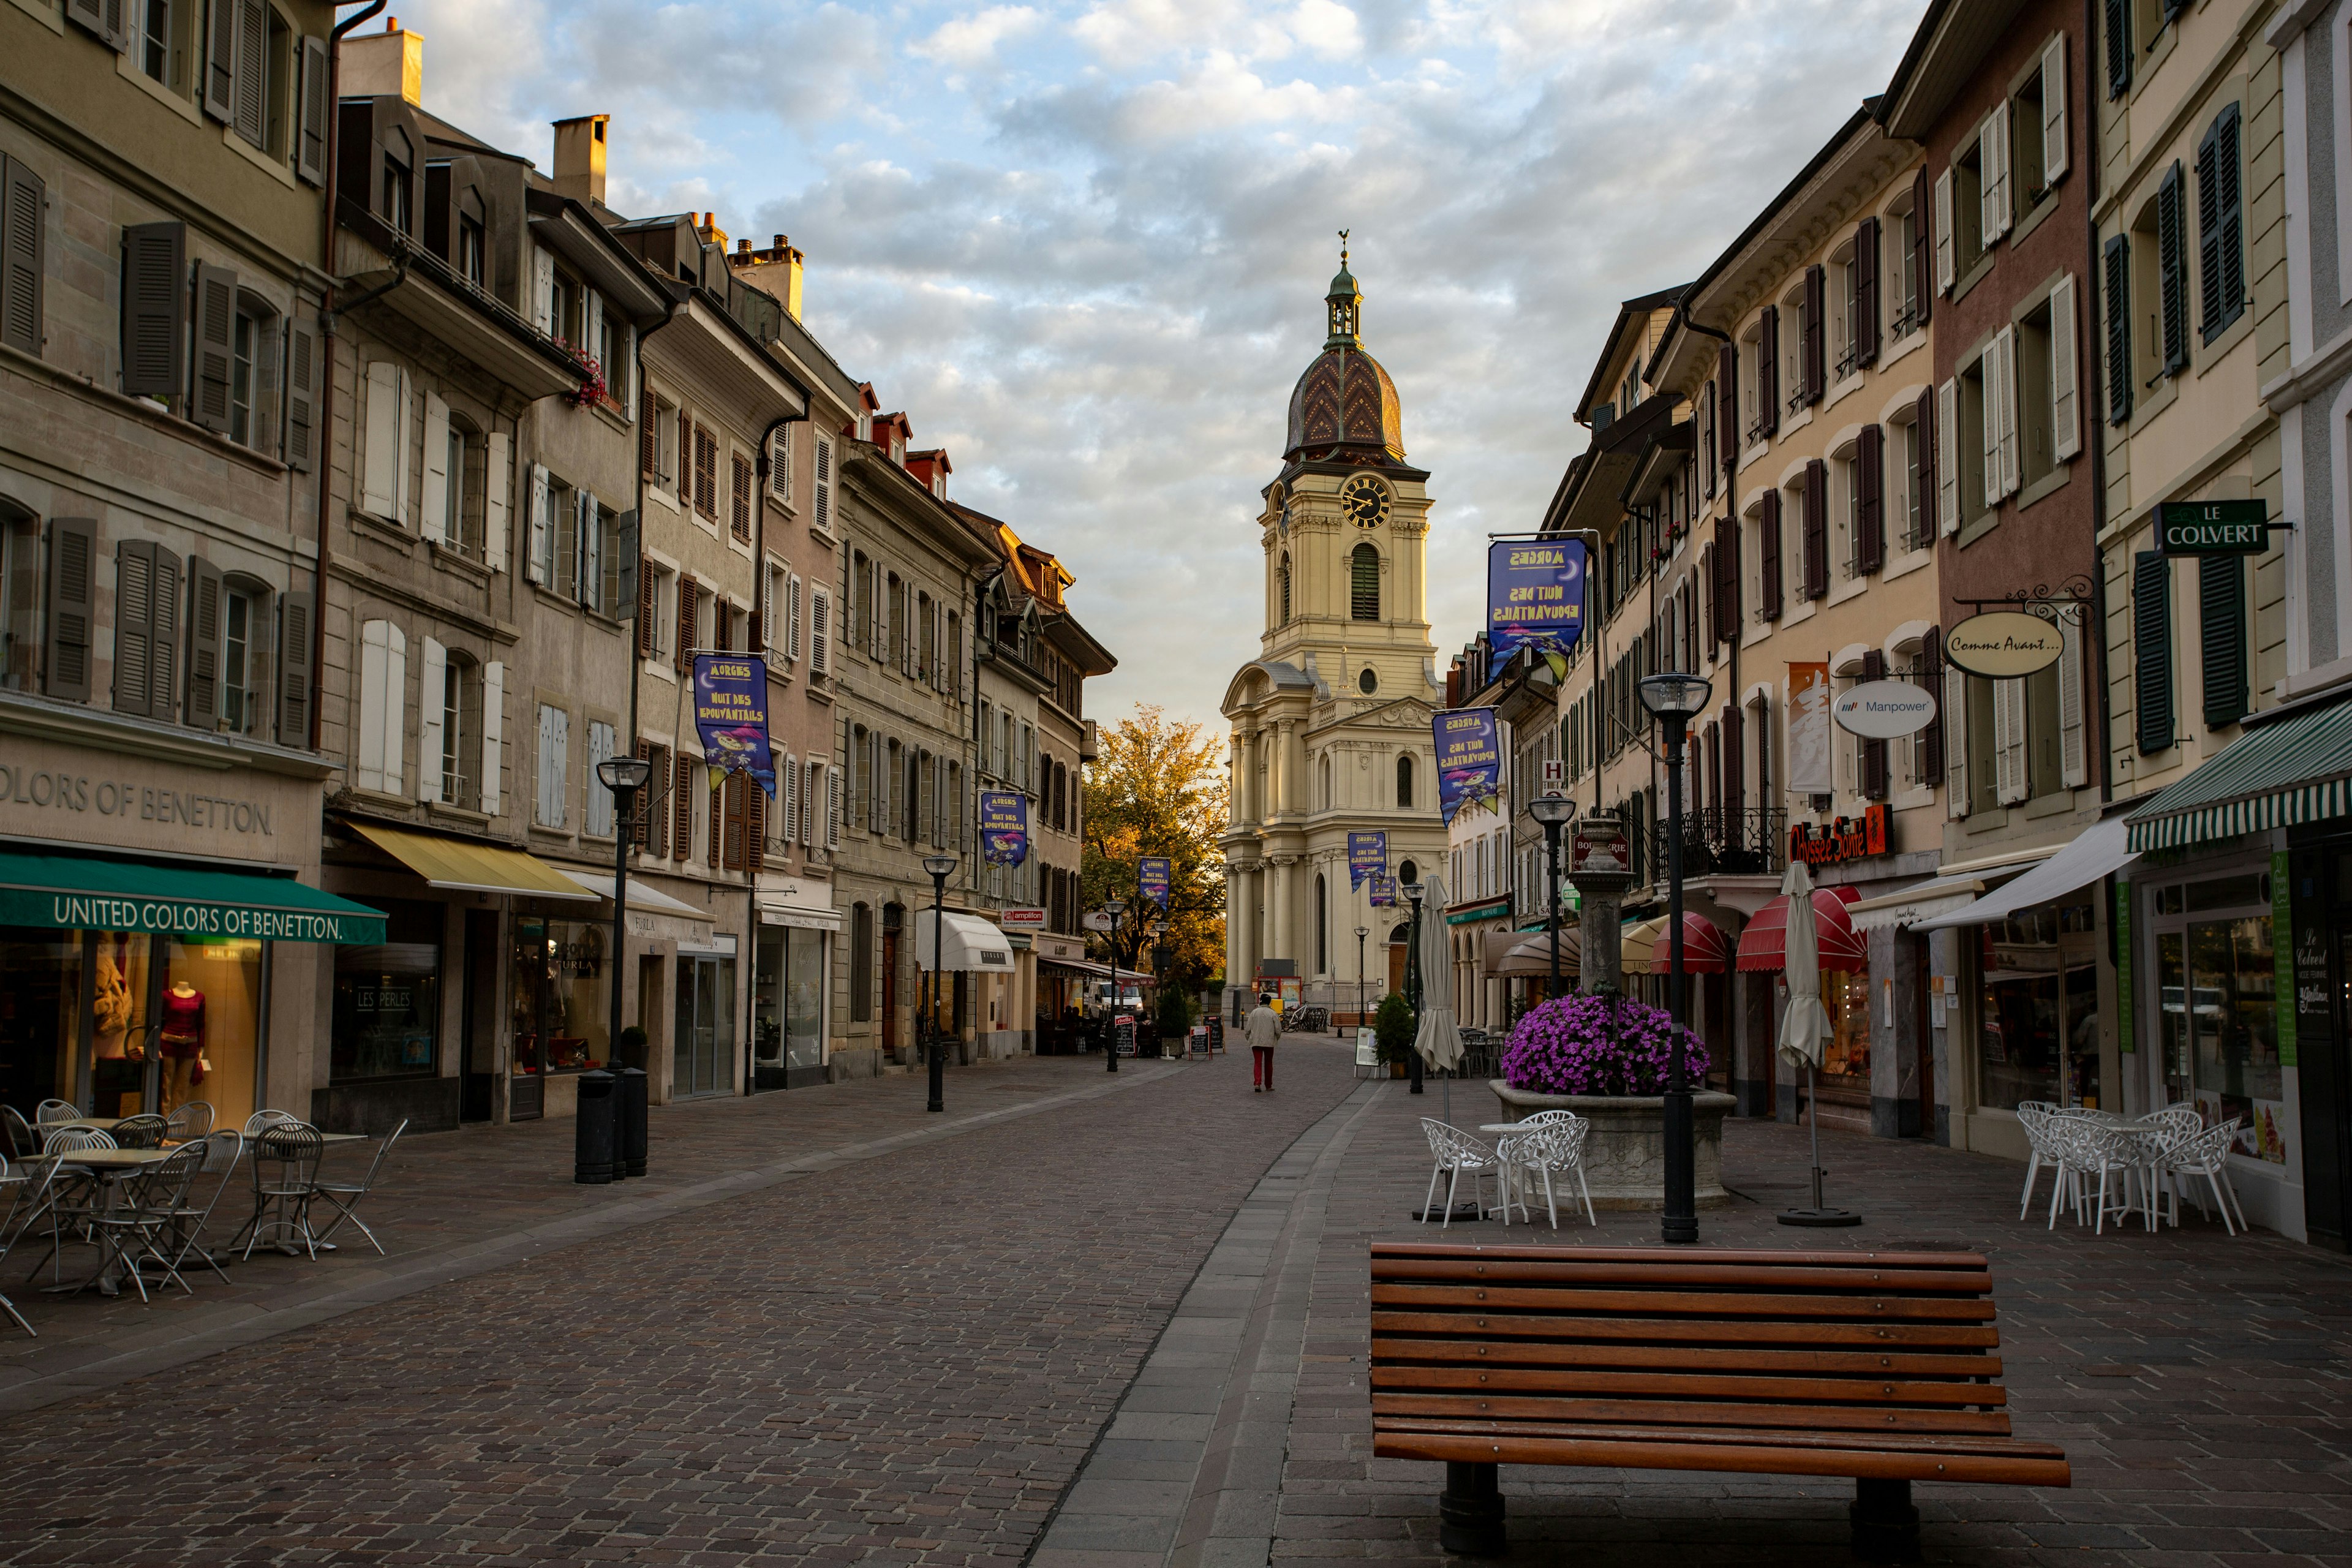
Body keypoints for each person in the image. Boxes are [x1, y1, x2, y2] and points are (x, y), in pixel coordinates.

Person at [1244, 993, 1281, 1093]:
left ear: (1261, 1001)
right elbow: (1278, 1029)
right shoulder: (1273, 1013)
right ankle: (1268, 1085)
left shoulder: (1254, 1012)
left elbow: (1248, 1029)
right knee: (1269, 1063)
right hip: (1269, 1041)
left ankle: (1257, 1083)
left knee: (1258, 1062)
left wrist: (1249, 1038)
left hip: (1255, 1041)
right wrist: (1276, 1038)